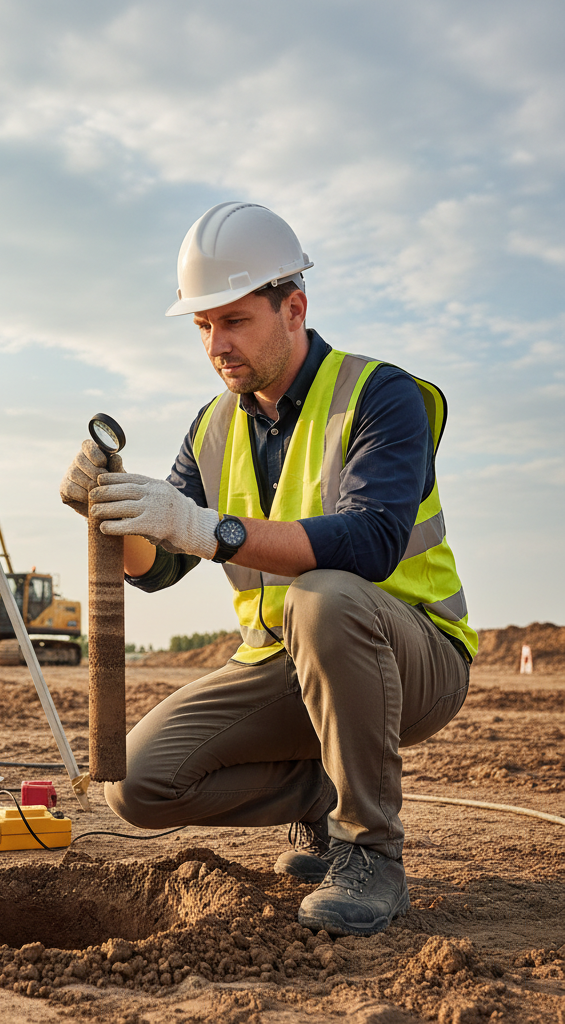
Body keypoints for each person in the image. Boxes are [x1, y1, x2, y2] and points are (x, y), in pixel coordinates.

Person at [60, 202, 476, 938]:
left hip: (413, 660)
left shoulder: (382, 396)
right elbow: (159, 570)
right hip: (287, 663)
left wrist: (207, 528)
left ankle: (370, 852)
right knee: (140, 784)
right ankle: (323, 795)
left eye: (233, 321)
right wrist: (111, 517)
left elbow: (373, 542)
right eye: (202, 327)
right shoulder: (215, 425)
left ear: (294, 308)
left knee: (324, 600)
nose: (217, 344)